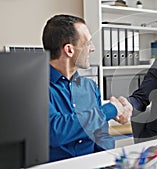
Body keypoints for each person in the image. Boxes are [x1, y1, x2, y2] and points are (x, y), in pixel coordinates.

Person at [42, 14, 132, 162]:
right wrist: (110, 110)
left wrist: (107, 161)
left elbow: (101, 135)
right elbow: (55, 132)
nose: (93, 48)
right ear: (69, 50)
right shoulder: (38, 88)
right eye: (88, 43)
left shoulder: (90, 86)